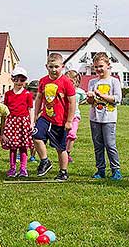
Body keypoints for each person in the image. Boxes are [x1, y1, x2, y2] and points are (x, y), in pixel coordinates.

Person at [32, 53, 76, 181]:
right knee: (36, 135)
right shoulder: (43, 81)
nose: (54, 70)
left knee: (60, 148)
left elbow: (72, 102)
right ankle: (45, 161)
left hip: (60, 121)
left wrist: (69, 121)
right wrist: (36, 114)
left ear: (62, 66)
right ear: (47, 66)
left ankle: (63, 172)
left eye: (56, 67)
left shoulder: (67, 82)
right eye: (51, 67)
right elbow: (39, 97)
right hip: (45, 117)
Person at [87, 52, 122, 180]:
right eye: (96, 67)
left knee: (110, 145)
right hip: (95, 118)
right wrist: (90, 98)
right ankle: (100, 170)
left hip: (109, 118)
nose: (98, 69)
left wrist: (101, 95)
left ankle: (115, 170)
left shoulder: (114, 81)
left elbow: (117, 99)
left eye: (101, 66)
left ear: (108, 65)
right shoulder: (92, 82)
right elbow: (90, 103)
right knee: (98, 145)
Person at [3, 67, 34, 177]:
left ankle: (23, 168)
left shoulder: (27, 94)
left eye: (22, 80)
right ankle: (12, 168)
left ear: (25, 81)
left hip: (23, 122)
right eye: (16, 79)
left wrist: (31, 123)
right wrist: (5, 124)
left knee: (23, 146)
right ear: (12, 79)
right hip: (11, 122)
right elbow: (5, 109)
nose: (19, 82)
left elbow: (30, 109)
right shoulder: (8, 94)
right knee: (12, 146)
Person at [64, 70, 86, 163]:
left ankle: (68, 153)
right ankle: (63, 153)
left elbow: (84, 99)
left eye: (72, 81)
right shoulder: (64, 90)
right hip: (64, 117)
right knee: (64, 136)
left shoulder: (80, 92)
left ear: (76, 82)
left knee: (72, 135)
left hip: (75, 116)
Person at [27, 81, 39, 162]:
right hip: (25, 122)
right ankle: (19, 155)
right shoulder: (26, 99)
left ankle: (32, 156)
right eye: (34, 91)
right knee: (22, 139)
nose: (36, 93)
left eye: (38, 91)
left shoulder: (40, 101)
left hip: (36, 123)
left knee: (34, 140)